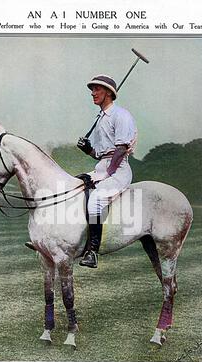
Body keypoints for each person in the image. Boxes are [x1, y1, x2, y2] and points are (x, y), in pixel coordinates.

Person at [77, 74, 137, 268]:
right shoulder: (100, 118)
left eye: (97, 89)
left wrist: (108, 173)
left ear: (109, 93)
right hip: (102, 167)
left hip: (118, 170)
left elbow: (120, 149)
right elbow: (100, 154)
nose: (92, 93)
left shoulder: (121, 115)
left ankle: (92, 252)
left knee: (95, 200)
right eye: (92, 90)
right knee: (74, 186)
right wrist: (88, 150)